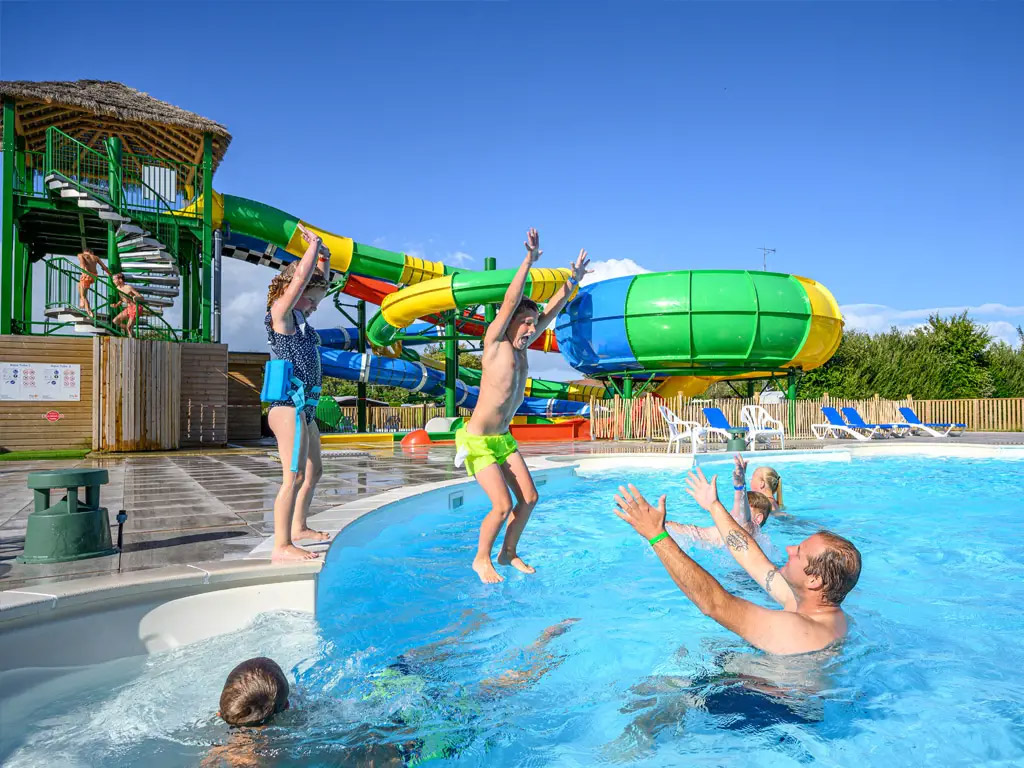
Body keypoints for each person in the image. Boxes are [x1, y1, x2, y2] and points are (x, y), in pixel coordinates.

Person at [206, 618, 578, 767]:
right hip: (404, 739)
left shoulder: (225, 741)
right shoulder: (291, 737)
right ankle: (520, 636)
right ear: (286, 704)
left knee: (485, 693)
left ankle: (523, 643)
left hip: (394, 731)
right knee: (482, 691)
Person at [456, 228, 590, 583]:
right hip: (478, 440)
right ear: (509, 320)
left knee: (529, 499)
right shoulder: (496, 343)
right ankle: (480, 558)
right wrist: (528, 261)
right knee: (501, 506)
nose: (531, 328)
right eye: (525, 322)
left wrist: (572, 280)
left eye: (534, 323)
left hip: (503, 439)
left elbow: (553, 308)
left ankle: (508, 551)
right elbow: (512, 299)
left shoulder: (522, 348)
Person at [612, 467, 861, 655]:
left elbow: (714, 604)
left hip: (771, 708)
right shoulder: (816, 607)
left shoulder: (797, 628)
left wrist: (657, 536)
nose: (789, 548)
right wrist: (713, 506)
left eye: (799, 551)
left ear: (815, 580)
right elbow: (752, 557)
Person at [265, 224, 332, 562]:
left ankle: (298, 528)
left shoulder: (303, 325)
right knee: (291, 476)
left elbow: (318, 281)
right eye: (312, 299)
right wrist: (314, 248)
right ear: (296, 289)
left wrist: (325, 258)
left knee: (313, 471)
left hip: (305, 408)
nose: (316, 306)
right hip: (287, 406)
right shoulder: (281, 316)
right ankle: (281, 545)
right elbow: (301, 281)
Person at [667, 454, 773, 544]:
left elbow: (742, 519)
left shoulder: (753, 533)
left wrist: (740, 487)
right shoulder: (724, 532)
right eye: (733, 511)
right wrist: (660, 523)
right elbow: (695, 532)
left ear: (758, 519)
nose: (733, 513)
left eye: (744, 509)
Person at [76, 248, 110, 318]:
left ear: (85, 251)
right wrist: (110, 274)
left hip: (86, 274)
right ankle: (89, 311)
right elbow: (104, 267)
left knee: (83, 294)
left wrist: (83, 272)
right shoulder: (96, 257)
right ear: (92, 252)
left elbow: (82, 263)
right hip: (94, 276)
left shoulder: (81, 255)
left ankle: (83, 302)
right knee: (79, 286)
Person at [111, 273, 145, 337]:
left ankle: (131, 336)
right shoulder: (118, 288)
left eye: (114, 279)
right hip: (129, 307)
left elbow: (141, 297)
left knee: (129, 327)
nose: (113, 281)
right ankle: (129, 330)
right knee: (115, 321)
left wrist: (136, 298)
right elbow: (122, 299)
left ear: (120, 280)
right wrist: (116, 305)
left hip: (136, 308)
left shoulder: (128, 287)